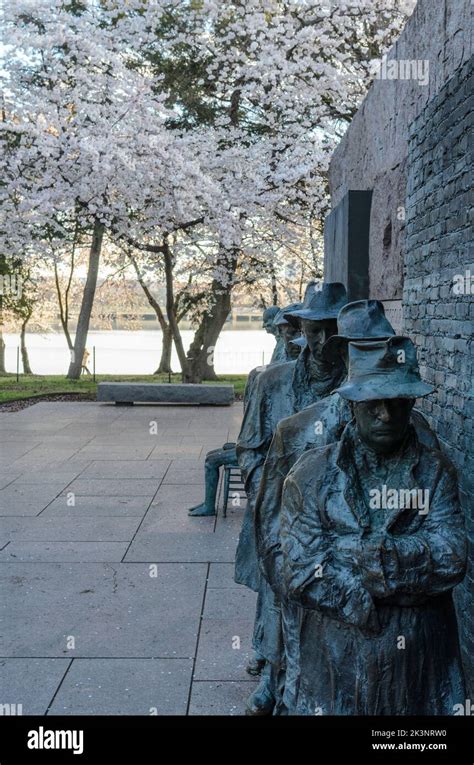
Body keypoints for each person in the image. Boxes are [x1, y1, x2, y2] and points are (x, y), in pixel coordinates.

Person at [280, 337, 466, 714]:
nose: (385, 414)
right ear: (351, 406)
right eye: (373, 403)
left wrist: (376, 556)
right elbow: (299, 569)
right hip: (336, 654)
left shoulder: (435, 471)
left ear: (411, 404)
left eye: (397, 402)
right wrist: (364, 599)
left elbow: (453, 555)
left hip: (419, 655)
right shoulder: (311, 475)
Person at [235, 282, 348, 714]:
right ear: (299, 329)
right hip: (278, 507)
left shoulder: (354, 388)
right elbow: (249, 447)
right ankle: (271, 673)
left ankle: (314, 677)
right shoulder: (273, 382)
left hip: (334, 514)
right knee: (277, 588)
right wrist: (267, 489)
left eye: (329, 330)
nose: (319, 341)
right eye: (311, 330)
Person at [187, 303, 303, 518]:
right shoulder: (282, 361)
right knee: (220, 452)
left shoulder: (285, 374)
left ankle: (209, 507)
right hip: (263, 443)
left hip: (266, 451)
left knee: (212, 459)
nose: (271, 330)